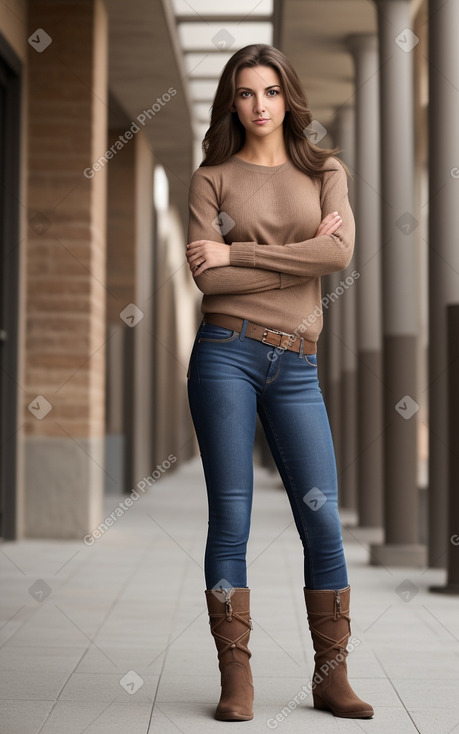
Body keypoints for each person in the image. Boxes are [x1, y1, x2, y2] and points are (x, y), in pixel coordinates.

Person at [185, 43, 374, 723]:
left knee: (321, 518)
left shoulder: (324, 170)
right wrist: (301, 260)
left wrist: (238, 251)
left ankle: (331, 677)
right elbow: (207, 281)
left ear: (287, 97)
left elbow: (341, 252)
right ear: (231, 101)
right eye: (244, 93)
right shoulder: (211, 179)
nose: (258, 106)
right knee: (230, 519)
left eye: (269, 92)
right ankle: (236, 679)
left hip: (296, 364)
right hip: (224, 354)